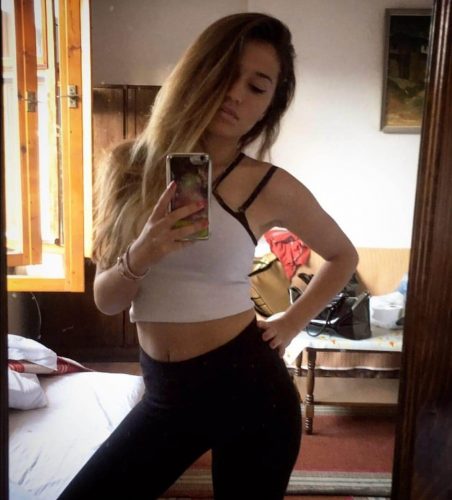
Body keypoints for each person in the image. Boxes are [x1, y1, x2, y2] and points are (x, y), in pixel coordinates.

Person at [59, 12, 358, 500]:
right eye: (226, 74)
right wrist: (142, 253)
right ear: (197, 72)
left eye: (257, 87)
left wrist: (291, 321)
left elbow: (343, 256)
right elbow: (107, 301)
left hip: (251, 391)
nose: (236, 94)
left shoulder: (269, 185)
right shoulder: (128, 167)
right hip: (166, 393)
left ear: (269, 107)